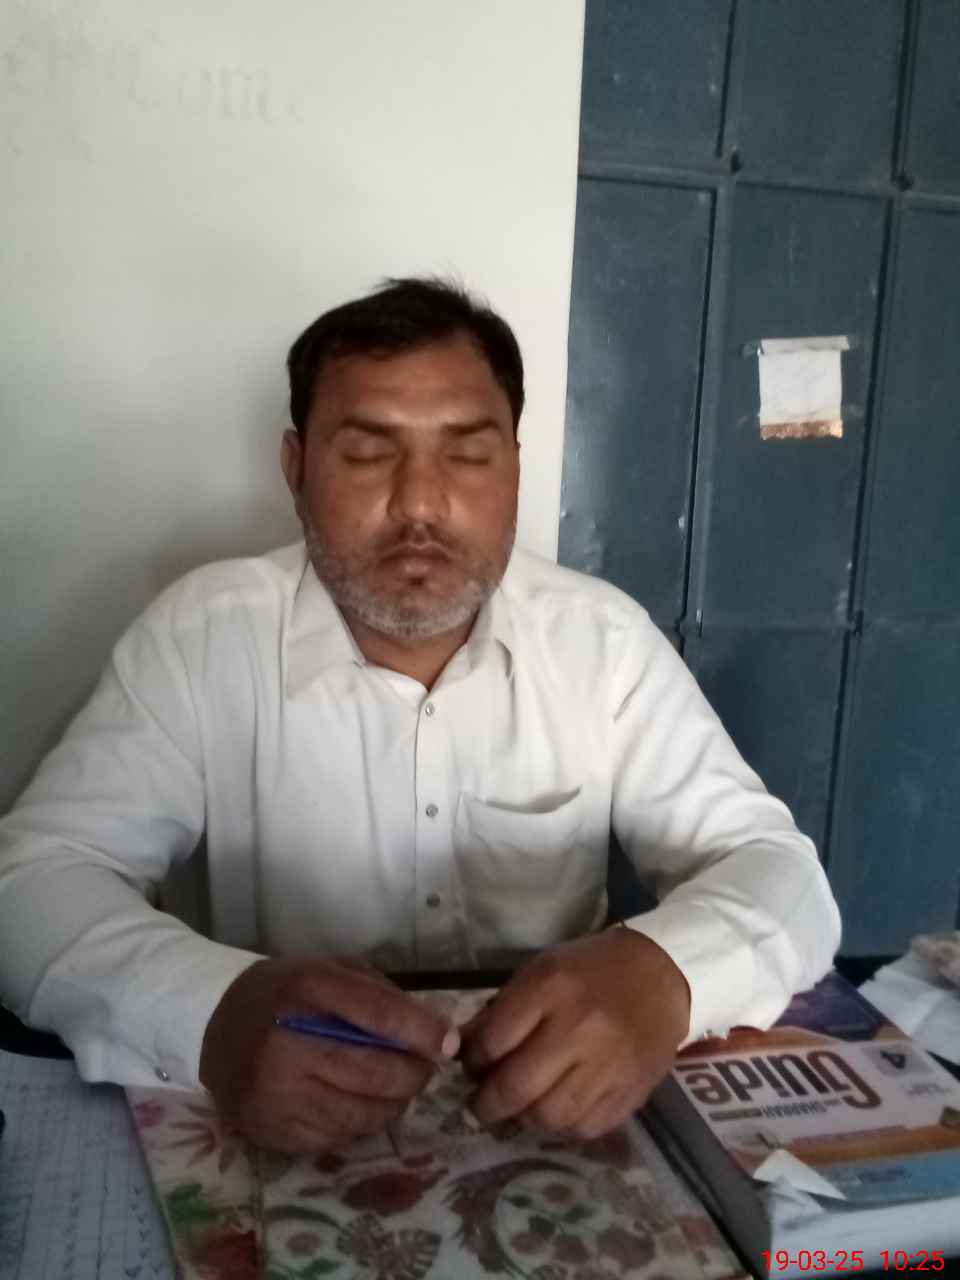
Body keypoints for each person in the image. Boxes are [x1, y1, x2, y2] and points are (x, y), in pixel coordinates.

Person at [0, 277, 840, 1154]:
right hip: (281, 1127)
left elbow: (780, 875)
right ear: (295, 470)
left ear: (515, 468)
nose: (420, 505)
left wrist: (665, 978)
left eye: (468, 457)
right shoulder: (203, 639)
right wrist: (209, 1013)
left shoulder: (603, 644)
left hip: (554, 1124)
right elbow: (30, 883)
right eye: (369, 454)